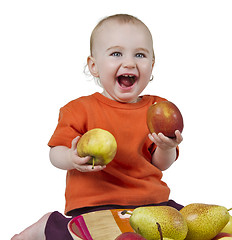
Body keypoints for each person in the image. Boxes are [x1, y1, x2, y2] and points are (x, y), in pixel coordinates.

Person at [12, 14, 184, 240]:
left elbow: (160, 164)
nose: (130, 63)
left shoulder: (157, 108)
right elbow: (55, 153)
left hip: (152, 203)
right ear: (94, 66)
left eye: (140, 55)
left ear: (151, 65)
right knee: (86, 235)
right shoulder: (79, 109)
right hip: (96, 206)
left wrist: (166, 146)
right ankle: (48, 225)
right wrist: (72, 158)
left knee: (184, 227)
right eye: (116, 54)